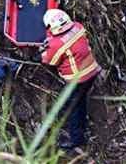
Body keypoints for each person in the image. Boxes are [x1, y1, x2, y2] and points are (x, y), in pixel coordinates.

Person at [40, 9, 102, 150]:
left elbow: (50, 61)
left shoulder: (56, 44)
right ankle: (82, 125)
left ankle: (76, 139)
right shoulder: (78, 27)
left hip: (77, 79)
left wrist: (43, 51)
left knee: (71, 107)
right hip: (92, 71)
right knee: (80, 101)